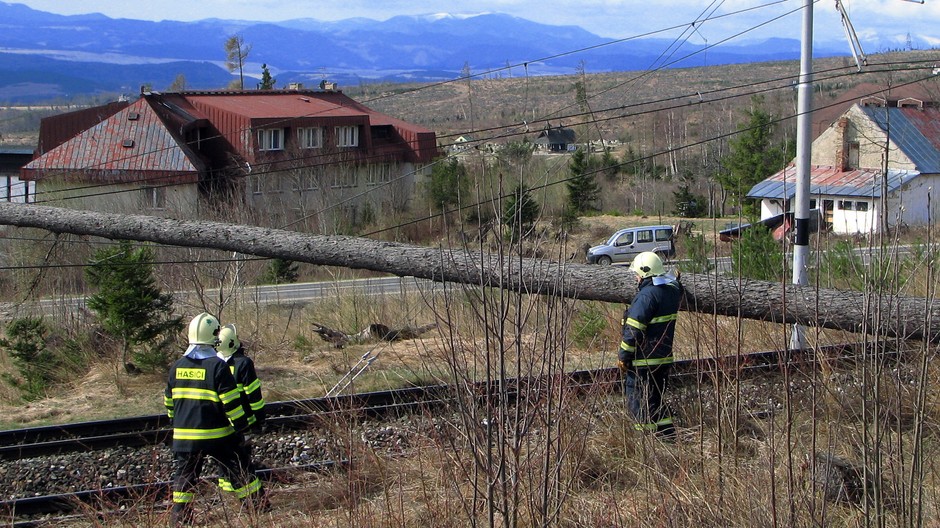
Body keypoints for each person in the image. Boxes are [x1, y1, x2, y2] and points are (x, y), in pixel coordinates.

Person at [164, 313, 264, 526]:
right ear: (214, 337)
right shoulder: (217, 366)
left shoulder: (176, 367)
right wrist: (240, 427)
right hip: (217, 435)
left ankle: (180, 519)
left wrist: (177, 424)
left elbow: (169, 403)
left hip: (184, 437)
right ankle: (257, 507)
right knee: (239, 468)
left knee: (184, 478)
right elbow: (231, 403)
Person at [618, 252, 683, 439]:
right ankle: (668, 438)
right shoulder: (672, 291)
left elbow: (633, 330)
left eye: (637, 273)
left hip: (643, 362)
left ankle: (645, 443)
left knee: (639, 405)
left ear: (645, 273)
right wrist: (675, 277)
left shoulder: (646, 297)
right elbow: (675, 283)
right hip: (663, 359)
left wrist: (624, 356)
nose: (636, 278)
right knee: (655, 402)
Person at [215, 324, 267, 497]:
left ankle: (227, 491)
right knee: (242, 459)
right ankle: (247, 494)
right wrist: (260, 418)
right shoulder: (243, 364)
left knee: (224, 460)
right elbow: (253, 395)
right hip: (244, 421)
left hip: (222, 423)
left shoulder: (214, 364)